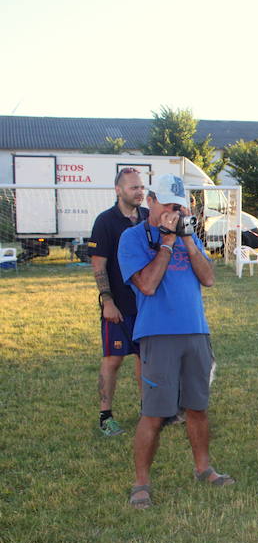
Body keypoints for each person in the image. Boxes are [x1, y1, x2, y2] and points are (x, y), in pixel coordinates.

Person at [118, 173, 233, 509]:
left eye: (180, 207)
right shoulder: (133, 238)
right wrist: (167, 239)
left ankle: (204, 469)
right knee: (154, 412)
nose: (175, 212)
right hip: (158, 334)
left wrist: (186, 239)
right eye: (169, 205)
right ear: (151, 201)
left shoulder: (186, 235)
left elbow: (209, 279)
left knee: (197, 407)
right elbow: (148, 285)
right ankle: (141, 483)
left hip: (196, 331)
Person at [88, 167, 149, 436]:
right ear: (118, 190)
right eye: (133, 187)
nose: (139, 192)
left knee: (144, 358)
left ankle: (149, 409)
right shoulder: (105, 221)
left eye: (141, 187)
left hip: (146, 305)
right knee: (113, 360)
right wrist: (107, 301)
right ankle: (106, 415)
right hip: (118, 306)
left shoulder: (148, 217)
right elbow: (99, 266)